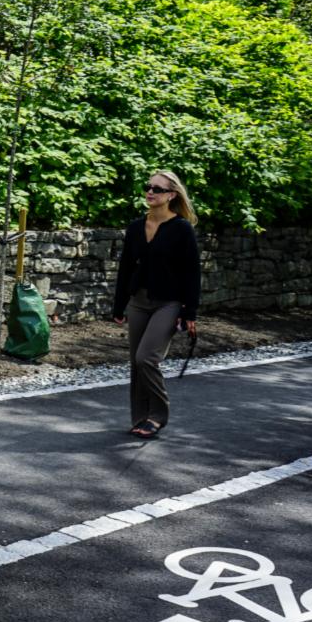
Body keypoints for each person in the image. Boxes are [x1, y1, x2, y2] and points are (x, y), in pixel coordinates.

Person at [111, 170, 201, 439]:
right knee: (135, 363)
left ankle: (158, 415)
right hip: (138, 301)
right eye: (148, 187)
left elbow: (191, 273)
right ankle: (141, 418)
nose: (150, 192)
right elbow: (126, 268)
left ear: (171, 195)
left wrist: (190, 312)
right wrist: (119, 306)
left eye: (157, 189)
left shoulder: (181, 228)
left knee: (146, 358)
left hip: (169, 303)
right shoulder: (136, 227)